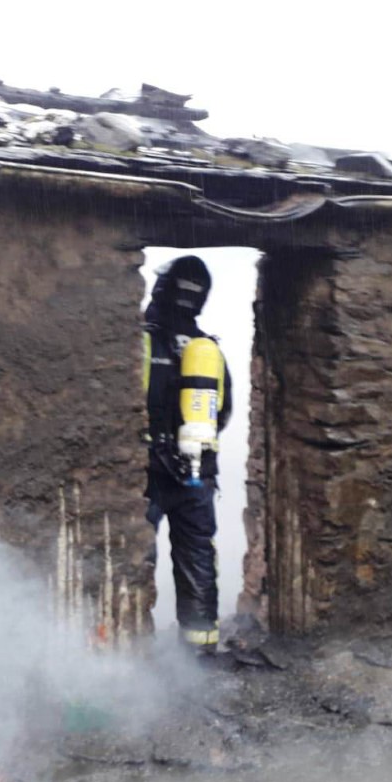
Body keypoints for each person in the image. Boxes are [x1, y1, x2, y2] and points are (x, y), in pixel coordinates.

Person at [142, 255, 232, 652]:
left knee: (135, 556)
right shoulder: (207, 352)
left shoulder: (139, 343)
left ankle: (131, 649)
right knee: (197, 557)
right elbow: (222, 412)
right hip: (197, 474)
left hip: (144, 473)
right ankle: (199, 648)